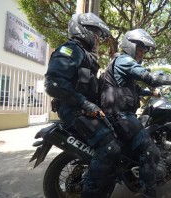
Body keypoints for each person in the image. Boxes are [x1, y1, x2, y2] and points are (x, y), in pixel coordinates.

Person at [100, 28, 171, 198]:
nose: (141, 54)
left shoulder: (120, 63)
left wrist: (152, 93)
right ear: (130, 45)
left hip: (118, 114)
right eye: (140, 49)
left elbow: (133, 89)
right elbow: (150, 77)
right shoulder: (124, 61)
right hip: (120, 115)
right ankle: (147, 193)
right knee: (150, 152)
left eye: (144, 51)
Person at [44, 13, 120, 197]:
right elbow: (54, 84)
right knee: (110, 147)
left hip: (83, 110)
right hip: (73, 110)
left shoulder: (86, 56)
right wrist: (85, 103)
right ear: (83, 30)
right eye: (96, 34)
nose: (98, 40)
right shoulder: (71, 49)